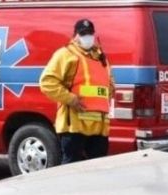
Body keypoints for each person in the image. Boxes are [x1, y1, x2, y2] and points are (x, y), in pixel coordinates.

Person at [40, 19, 114, 165]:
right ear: (75, 36)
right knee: (71, 170)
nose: (87, 37)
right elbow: (47, 83)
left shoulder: (101, 58)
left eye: (90, 33)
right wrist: (70, 98)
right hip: (74, 127)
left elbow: (109, 87)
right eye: (83, 33)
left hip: (99, 128)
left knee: (98, 171)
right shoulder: (66, 54)